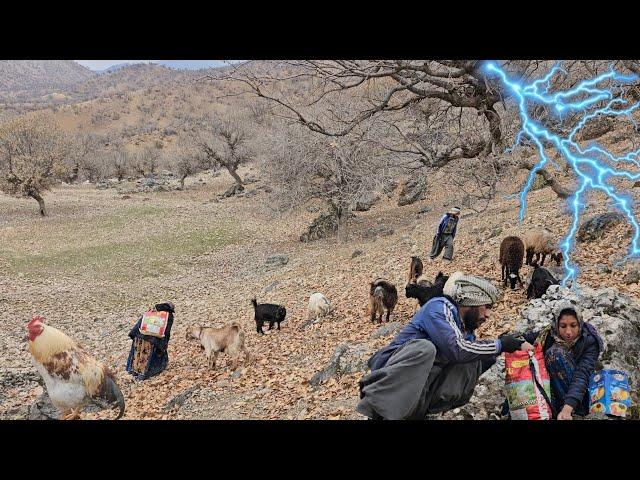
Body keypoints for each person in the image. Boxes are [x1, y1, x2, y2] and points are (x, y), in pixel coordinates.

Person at [356, 272, 531, 420]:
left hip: (418, 395)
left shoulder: (465, 331)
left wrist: (507, 346)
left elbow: (469, 349)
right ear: (471, 303)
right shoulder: (438, 307)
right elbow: (457, 349)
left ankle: (423, 411)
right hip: (390, 381)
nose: (488, 315)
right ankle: (382, 406)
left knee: (476, 357)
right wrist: (501, 345)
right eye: (486, 307)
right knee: (426, 349)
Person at [519, 301, 603, 420]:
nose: (568, 332)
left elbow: (582, 375)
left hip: (577, 398)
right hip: (551, 391)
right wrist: (519, 343)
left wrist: (568, 408)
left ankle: (574, 412)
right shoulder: (549, 334)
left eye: (573, 325)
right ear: (557, 325)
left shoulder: (589, 342)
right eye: (563, 326)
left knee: (555, 354)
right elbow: (521, 338)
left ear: (580, 324)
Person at [126, 301, 175, 380]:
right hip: (151, 340)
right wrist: (163, 345)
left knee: (137, 353)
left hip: (139, 335)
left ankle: (133, 371)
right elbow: (166, 332)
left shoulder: (152, 310)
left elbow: (140, 323)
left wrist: (133, 335)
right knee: (146, 356)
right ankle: (142, 375)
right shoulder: (168, 316)